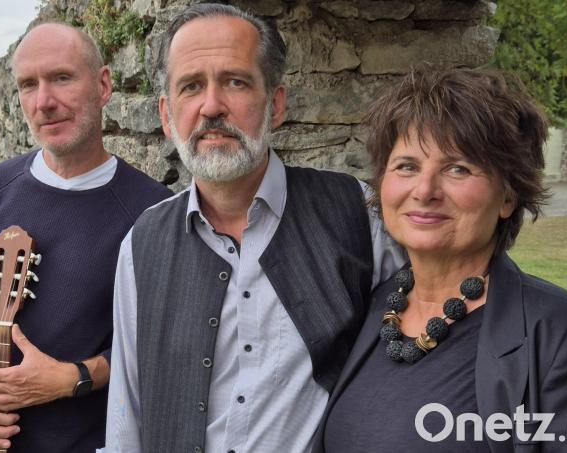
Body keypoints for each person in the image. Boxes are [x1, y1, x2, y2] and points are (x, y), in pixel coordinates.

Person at [103, 4, 405, 452]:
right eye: (191, 87)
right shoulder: (142, 244)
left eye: (235, 82)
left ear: (276, 104)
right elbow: (127, 408)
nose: (211, 107)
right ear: (167, 116)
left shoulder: (358, 213)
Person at [313, 65, 567, 452]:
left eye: (457, 168)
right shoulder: (372, 306)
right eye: (406, 166)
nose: (424, 190)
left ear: (508, 196)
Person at [0, 23, 171, 452]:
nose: (44, 102)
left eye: (62, 78)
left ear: (104, 84)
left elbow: (158, 341)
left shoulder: (153, 213)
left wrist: (73, 378)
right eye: (27, 85)